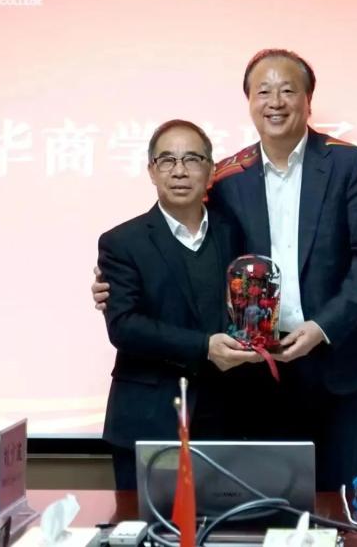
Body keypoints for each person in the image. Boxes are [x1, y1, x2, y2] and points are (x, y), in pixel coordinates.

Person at [95, 49, 357, 490]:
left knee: (336, 496)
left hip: (336, 356)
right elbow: (181, 238)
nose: (275, 102)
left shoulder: (347, 163)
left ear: (308, 100)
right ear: (249, 102)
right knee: (271, 497)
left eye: (287, 90)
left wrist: (321, 327)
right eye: (263, 91)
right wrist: (115, 283)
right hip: (260, 368)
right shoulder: (228, 175)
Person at [97, 119, 261, 490]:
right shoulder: (122, 242)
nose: (179, 171)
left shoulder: (236, 234)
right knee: (145, 523)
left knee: (225, 523)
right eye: (167, 160)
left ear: (210, 169)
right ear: (151, 171)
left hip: (226, 419)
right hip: (149, 418)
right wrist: (204, 347)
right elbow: (124, 326)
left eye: (192, 159)